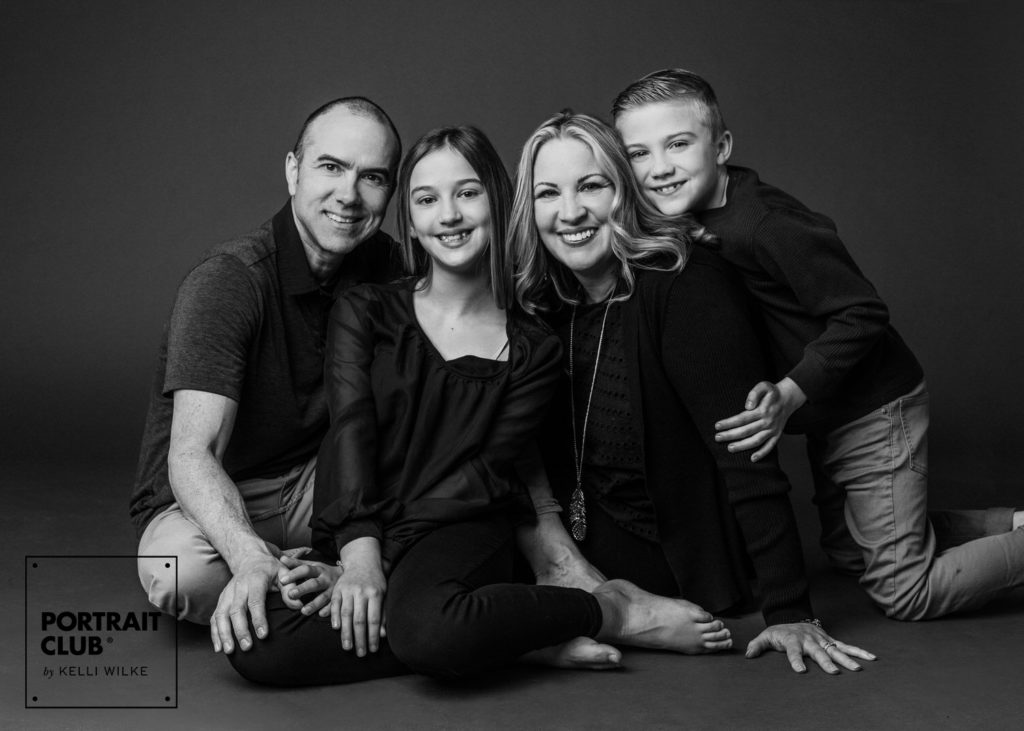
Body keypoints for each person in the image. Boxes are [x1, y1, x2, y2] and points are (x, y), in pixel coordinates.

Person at [226, 125, 729, 686]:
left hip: (461, 525)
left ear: (497, 199)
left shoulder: (534, 346)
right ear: (411, 220)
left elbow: (479, 473)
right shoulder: (364, 310)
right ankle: (515, 637)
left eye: (466, 194)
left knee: (432, 634)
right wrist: (356, 557)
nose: (448, 216)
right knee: (259, 642)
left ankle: (613, 612)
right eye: (426, 199)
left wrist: (376, 566)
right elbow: (350, 432)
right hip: (365, 526)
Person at [611, 68, 1024, 620]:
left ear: (722, 147)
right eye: (638, 153)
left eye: (678, 144)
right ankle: (1011, 524)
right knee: (850, 550)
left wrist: (789, 392)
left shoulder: (766, 224)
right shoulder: (690, 218)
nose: (659, 168)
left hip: (875, 406)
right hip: (829, 413)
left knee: (906, 591)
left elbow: (862, 312)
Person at [510, 111, 874, 675]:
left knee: (463, 612)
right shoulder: (546, 302)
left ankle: (596, 618)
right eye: (547, 193)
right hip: (574, 543)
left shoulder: (683, 284)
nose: (571, 212)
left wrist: (789, 611)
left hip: (664, 553)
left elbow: (745, 451)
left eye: (591, 185)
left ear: (624, 192)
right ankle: (575, 618)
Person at [130, 98, 403, 654]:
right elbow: (192, 454)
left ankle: (335, 586)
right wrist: (249, 553)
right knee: (180, 575)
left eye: (371, 177)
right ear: (293, 170)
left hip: (318, 486)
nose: (349, 195)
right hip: (215, 497)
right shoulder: (229, 280)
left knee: (450, 511)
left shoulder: (386, 267)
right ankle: (353, 598)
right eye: (331, 167)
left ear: (390, 192)